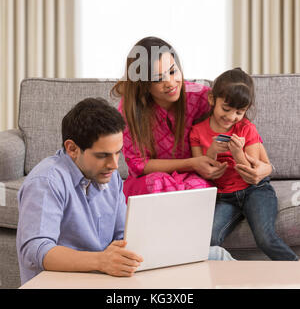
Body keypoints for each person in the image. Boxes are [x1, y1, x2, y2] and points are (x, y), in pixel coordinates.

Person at [112, 36, 272, 200]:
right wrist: (192, 163)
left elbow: (237, 120)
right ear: (143, 84)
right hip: (151, 180)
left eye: (173, 71)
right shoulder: (129, 110)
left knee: (200, 189)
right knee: (158, 183)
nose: (170, 83)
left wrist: (267, 168)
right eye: (158, 79)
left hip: (193, 178)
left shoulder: (201, 96)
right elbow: (139, 164)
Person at [16, 97, 143, 285]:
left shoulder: (110, 177)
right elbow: (36, 249)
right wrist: (101, 261)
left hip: (101, 279)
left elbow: (122, 235)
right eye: (103, 155)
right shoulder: (46, 182)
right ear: (72, 148)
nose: (114, 165)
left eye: (118, 152)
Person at [190, 67, 299, 261]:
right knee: (209, 239)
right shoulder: (197, 132)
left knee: (265, 238)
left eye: (239, 112)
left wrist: (237, 153)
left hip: (255, 190)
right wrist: (213, 151)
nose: (231, 117)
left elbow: (251, 173)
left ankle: (294, 270)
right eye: (226, 109)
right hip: (225, 197)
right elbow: (204, 172)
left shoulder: (246, 128)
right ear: (212, 100)